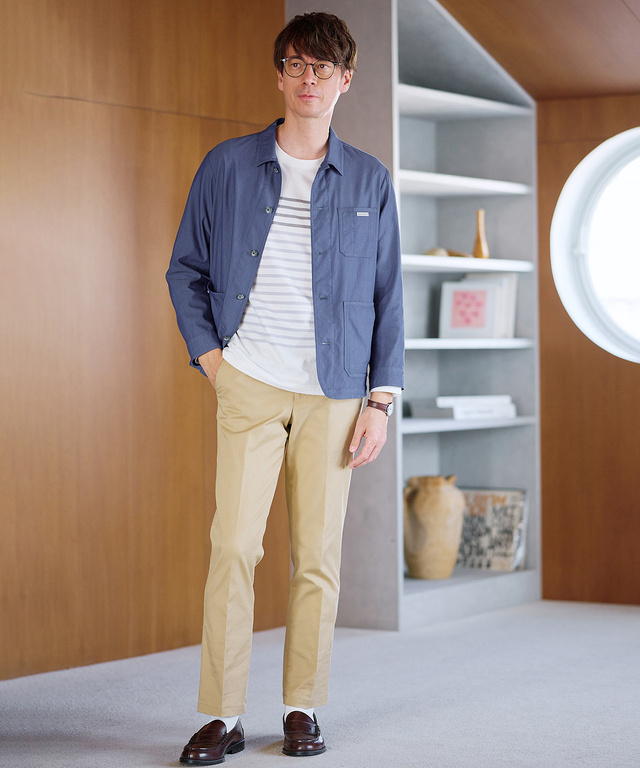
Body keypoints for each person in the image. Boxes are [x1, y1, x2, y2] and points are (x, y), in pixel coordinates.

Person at [166, 11, 404, 764]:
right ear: (279, 75)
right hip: (251, 382)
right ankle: (223, 714)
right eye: (297, 65)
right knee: (233, 548)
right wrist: (214, 363)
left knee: (317, 557)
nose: (309, 79)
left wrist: (380, 400)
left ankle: (302, 706)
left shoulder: (369, 178)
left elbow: (388, 295)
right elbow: (185, 269)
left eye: (323, 68)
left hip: (336, 392)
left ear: (345, 80)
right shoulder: (228, 165)